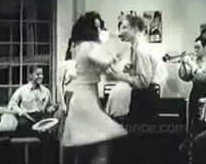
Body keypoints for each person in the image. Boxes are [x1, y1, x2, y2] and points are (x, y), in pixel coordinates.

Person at [61, 11, 127, 164]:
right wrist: (115, 52)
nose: (99, 31)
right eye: (96, 27)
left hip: (87, 96)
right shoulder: (86, 45)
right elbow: (103, 61)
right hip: (84, 98)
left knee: (88, 144)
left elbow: (105, 69)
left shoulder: (84, 45)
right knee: (101, 139)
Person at [105, 14, 159, 163]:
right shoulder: (136, 49)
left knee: (139, 149)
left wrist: (118, 76)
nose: (120, 32)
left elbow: (143, 82)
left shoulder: (140, 50)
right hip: (143, 100)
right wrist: (132, 70)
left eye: (124, 27)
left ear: (135, 29)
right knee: (139, 147)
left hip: (144, 102)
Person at [178, 36, 206, 162]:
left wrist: (191, 63)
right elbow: (185, 77)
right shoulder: (196, 61)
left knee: (203, 126)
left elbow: (203, 77)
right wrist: (184, 64)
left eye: (198, 47)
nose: (195, 50)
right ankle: (192, 153)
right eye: (194, 47)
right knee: (192, 123)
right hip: (194, 94)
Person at [8, 65, 57, 136]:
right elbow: (11, 105)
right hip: (26, 120)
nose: (41, 76)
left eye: (42, 74)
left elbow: (49, 107)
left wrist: (52, 109)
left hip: (41, 121)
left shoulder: (46, 91)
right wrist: (21, 112)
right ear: (30, 75)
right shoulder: (22, 90)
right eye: (37, 74)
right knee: (22, 126)